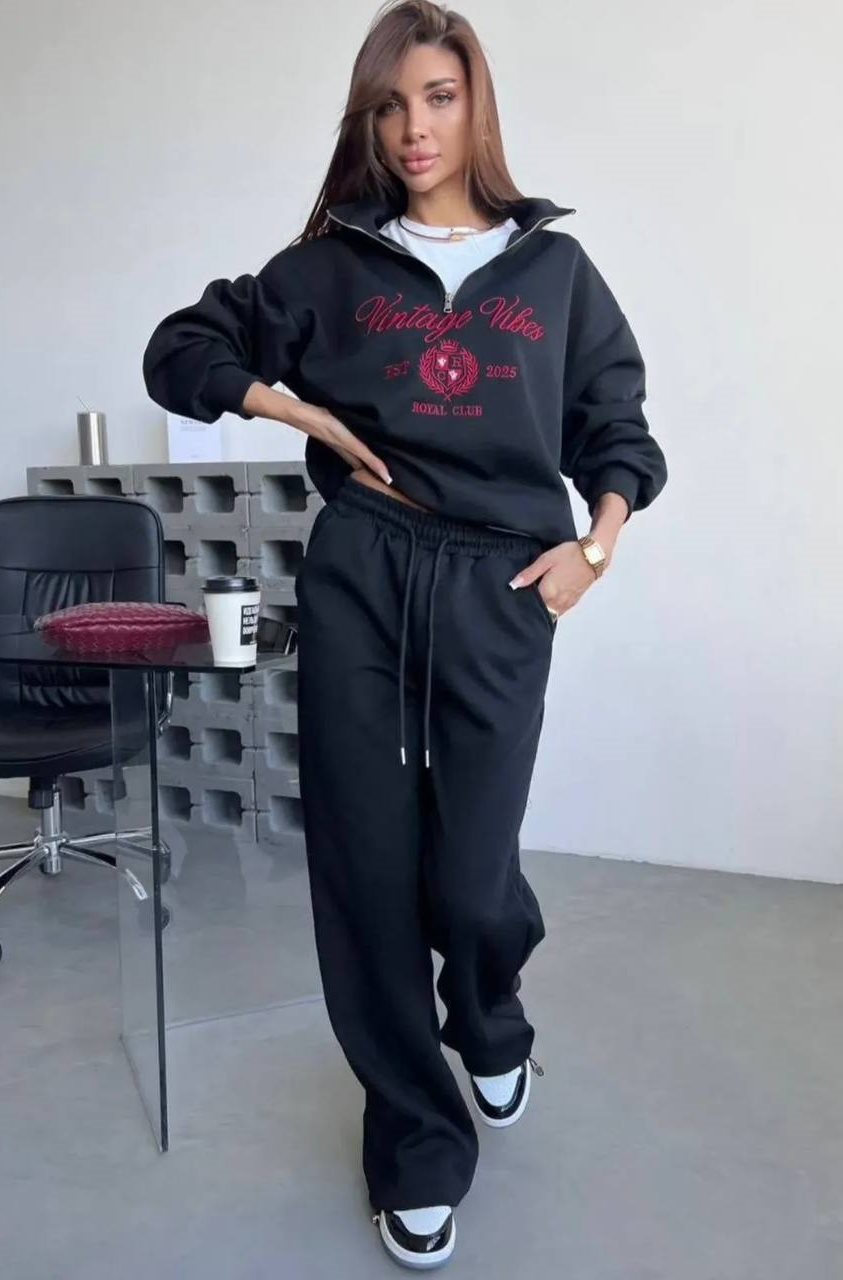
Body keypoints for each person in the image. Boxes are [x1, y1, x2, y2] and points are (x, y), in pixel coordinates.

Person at [142, 0, 668, 1268]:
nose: (414, 127)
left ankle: (488, 1016)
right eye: (389, 106)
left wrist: (594, 550)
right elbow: (181, 349)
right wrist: (302, 415)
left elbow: (618, 428)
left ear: (475, 102)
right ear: (368, 124)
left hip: (501, 583)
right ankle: (417, 1141)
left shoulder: (554, 271)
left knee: (473, 874)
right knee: (367, 868)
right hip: (366, 572)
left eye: (437, 96)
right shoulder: (330, 265)